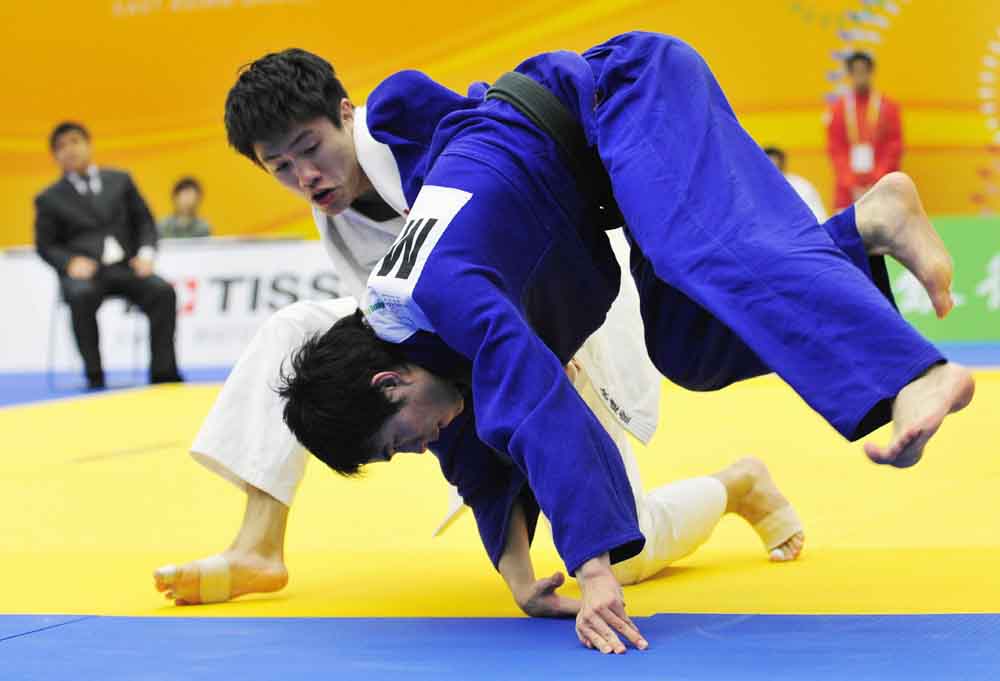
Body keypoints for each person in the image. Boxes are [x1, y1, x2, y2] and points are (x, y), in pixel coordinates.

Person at [231, 32, 973, 654]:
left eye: (401, 440)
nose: (420, 446)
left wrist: (594, 573)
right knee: (687, 347)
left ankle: (912, 374)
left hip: (622, 96)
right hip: (601, 181)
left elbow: (536, 407)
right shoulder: (412, 334)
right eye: (280, 167)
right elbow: (468, 441)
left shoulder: (436, 278)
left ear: (388, 382)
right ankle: (865, 227)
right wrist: (520, 577)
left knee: (702, 252)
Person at [34, 122, 182, 389]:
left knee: (162, 292)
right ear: (55, 156)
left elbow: (145, 222)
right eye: (61, 146)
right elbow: (46, 245)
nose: (70, 150)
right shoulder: (48, 198)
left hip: (126, 267)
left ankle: (164, 375)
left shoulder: (121, 180)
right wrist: (69, 262)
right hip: (84, 274)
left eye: (75, 141)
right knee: (80, 295)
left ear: (88, 145)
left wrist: (146, 254)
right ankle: (95, 376)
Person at [826, 51, 903, 211]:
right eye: (856, 72)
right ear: (850, 74)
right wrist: (850, 181)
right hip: (847, 190)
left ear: (871, 72)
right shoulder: (838, 109)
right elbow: (835, 148)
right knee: (847, 225)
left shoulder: (888, 107)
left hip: (882, 186)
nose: (860, 77)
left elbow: (894, 146)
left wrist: (877, 178)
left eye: (863, 71)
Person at [763, 146, 828, 222]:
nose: (771, 170)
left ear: (782, 165)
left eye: (774, 166)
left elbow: (819, 216)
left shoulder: (800, 186)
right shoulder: (754, 189)